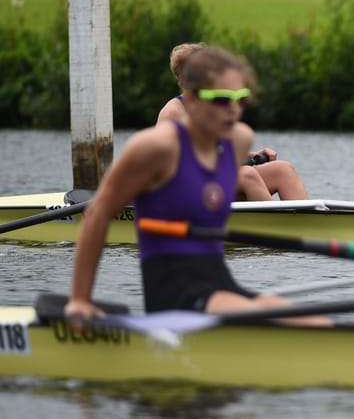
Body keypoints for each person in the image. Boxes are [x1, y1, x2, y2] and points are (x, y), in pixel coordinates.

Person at [65, 46, 326, 325]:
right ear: (193, 98)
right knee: (285, 319)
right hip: (175, 296)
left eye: (241, 100)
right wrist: (80, 300)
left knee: (318, 323)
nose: (234, 110)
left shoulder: (239, 140)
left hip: (221, 284)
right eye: (223, 100)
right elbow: (98, 213)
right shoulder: (155, 147)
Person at [158, 43, 308, 201]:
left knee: (283, 169)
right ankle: (276, 225)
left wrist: (253, 156)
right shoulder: (173, 113)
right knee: (247, 174)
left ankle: (309, 223)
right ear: (181, 78)